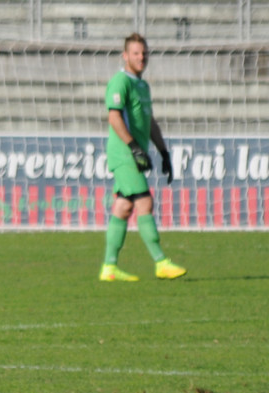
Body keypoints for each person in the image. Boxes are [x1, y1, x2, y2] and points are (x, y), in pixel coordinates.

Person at [100, 33, 186, 282]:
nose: (141, 57)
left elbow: (149, 123)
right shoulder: (120, 82)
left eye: (144, 53)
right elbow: (114, 117)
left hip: (134, 153)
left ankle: (109, 267)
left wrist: (163, 152)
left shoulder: (143, 86)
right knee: (144, 203)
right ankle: (161, 262)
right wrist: (134, 147)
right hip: (124, 154)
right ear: (125, 55)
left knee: (124, 207)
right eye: (136, 53)